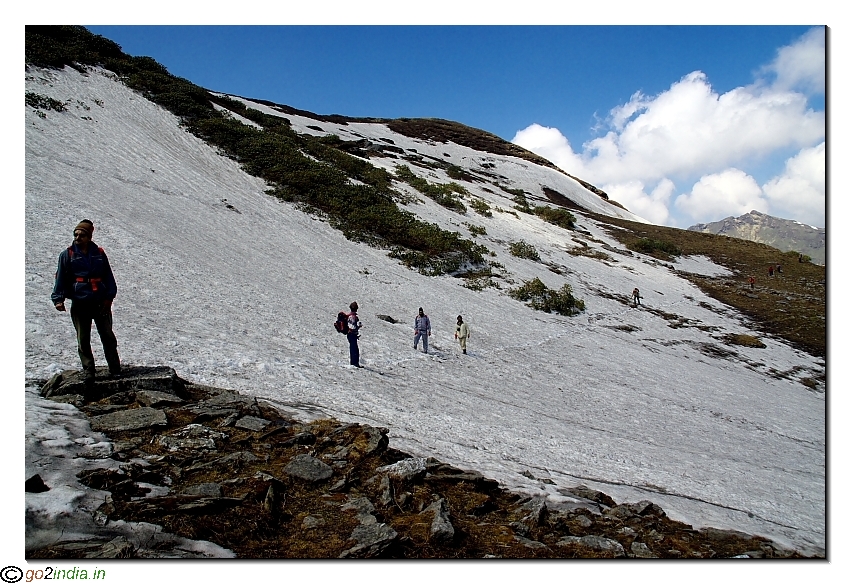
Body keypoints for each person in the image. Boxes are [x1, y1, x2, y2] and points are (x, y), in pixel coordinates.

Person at [51, 220, 121, 387]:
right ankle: (89, 371)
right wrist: (58, 299)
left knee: (107, 336)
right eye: (76, 234)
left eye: (82, 234)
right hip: (80, 301)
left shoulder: (99, 253)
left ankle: (115, 368)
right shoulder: (67, 255)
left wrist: (109, 297)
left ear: (89, 236)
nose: (77, 237)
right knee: (83, 338)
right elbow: (60, 277)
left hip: (100, 301)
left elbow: (108, 276)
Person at [347, 301, 362, 368]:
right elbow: (352, 326)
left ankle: (354, 362)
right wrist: (358, 327)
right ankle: (354, 363)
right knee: (354, 349)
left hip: (350, 334)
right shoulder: (353, 317)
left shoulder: (349, 316)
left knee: (353, 348)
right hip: (352, 334)